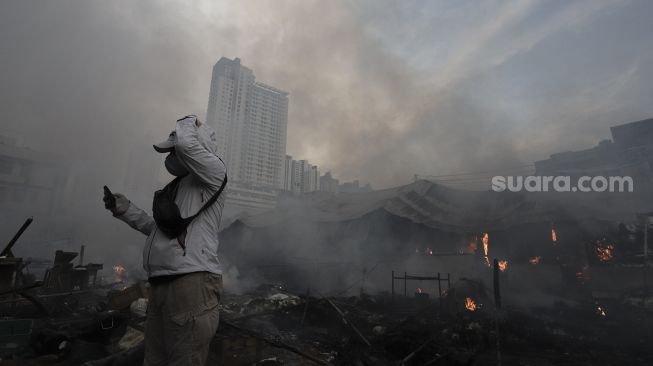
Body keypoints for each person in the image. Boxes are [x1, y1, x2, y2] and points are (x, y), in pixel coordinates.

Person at [103, 115, 227, 366]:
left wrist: (188, 121)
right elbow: (159, 231)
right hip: (160, 285)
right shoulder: (178, 187)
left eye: (172, 151)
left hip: (190, 284)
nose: (169, 157)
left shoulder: (213, 174)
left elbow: (186, 145)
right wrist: (125, 210)